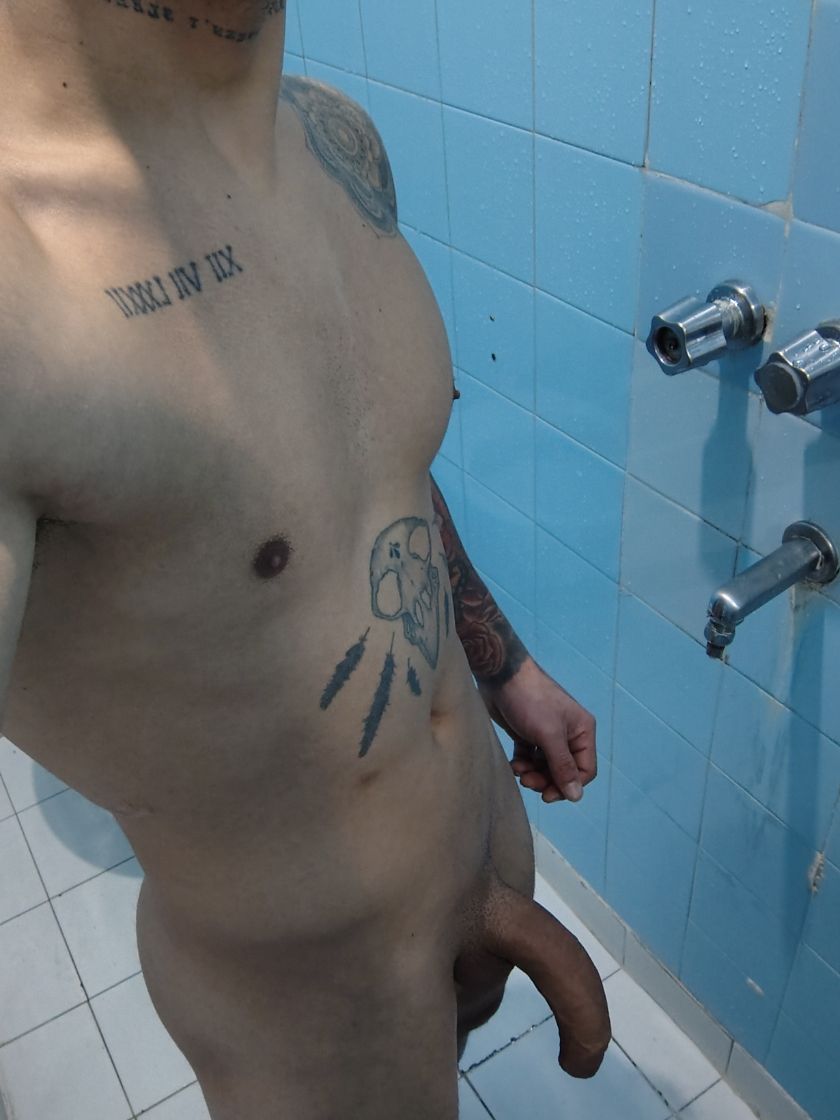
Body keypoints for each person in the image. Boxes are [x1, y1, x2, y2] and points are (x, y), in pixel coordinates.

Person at [0, 2, 611, 1116]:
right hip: (315, 1005)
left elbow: (368, 477)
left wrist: (504, 664)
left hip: (484, 840)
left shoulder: (333, 137)